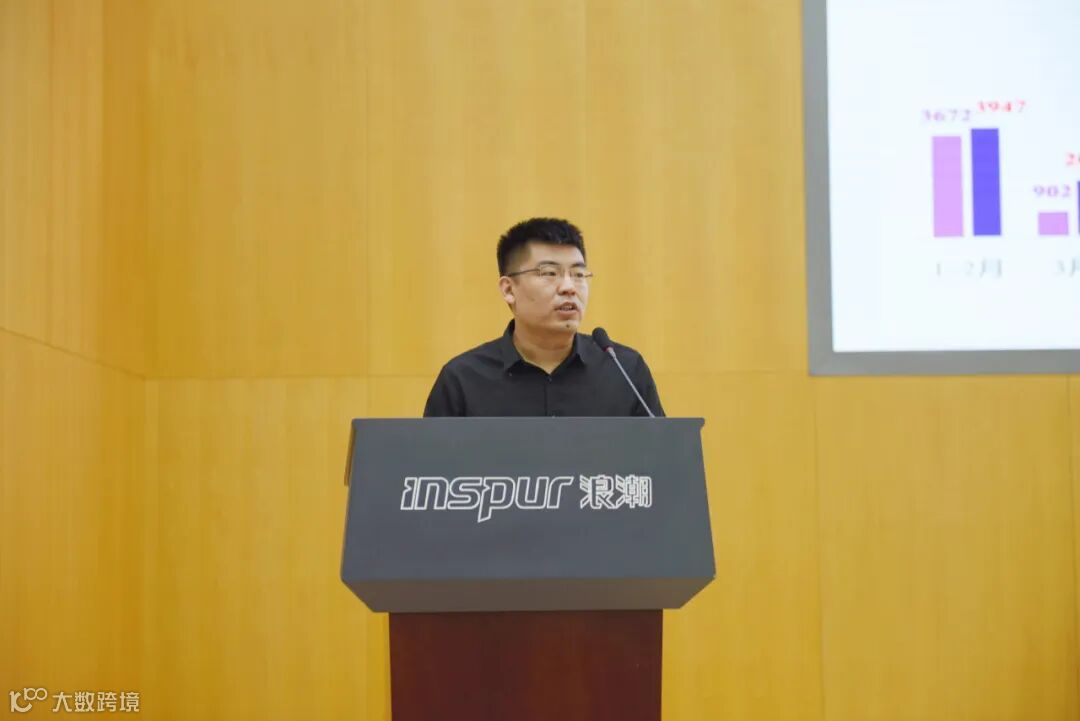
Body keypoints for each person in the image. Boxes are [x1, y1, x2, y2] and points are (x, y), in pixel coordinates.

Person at [424, 217, 664, 417]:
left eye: (578, 274)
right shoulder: (463, 380)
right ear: (509, 289)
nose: (569, 287)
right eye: (549, 273)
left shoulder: (624, 371)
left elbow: (659, 456)